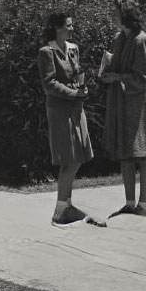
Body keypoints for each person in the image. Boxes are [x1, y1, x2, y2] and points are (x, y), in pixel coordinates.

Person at [37, 12, 102, 227]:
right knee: (68, 158)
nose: (72, 29)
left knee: (78, 155)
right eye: (68, 26)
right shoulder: (47, 52)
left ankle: (68, 205)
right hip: (60, 111)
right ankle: (60, 209)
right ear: (57, 28)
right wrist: (72, 93)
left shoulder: (73, 49)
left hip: (76, 109)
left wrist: (82, 87)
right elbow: (50, 83)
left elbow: (76, 74)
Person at [100, 0, 146, 216]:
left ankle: (143, 205)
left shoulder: (141, 40)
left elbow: (144, 78)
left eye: (115, 11)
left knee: (142, 155)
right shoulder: (119, 38)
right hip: (121, 104)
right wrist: (108, 68)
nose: (112, 15)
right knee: (125, 154)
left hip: (137, 106)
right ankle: (129, 203)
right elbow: (119, 66)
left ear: (125, 14)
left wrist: (118, 77)